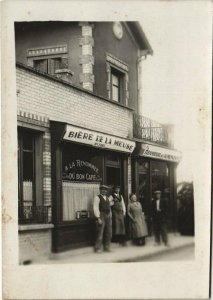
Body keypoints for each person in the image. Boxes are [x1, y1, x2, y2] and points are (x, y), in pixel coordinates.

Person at [93, 185, 113, 253]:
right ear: (100, 190)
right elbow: (95, 208)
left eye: (105, 190)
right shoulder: (97, 197)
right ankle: (97, 248)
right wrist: (98, 218)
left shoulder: (107, 198)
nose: (104, 191)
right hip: (101, 215)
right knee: (100, 232)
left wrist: (110, 215)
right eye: (102, 189)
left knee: (109, 232)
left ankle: (107, 247)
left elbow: (109, 208)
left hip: (108, 216)